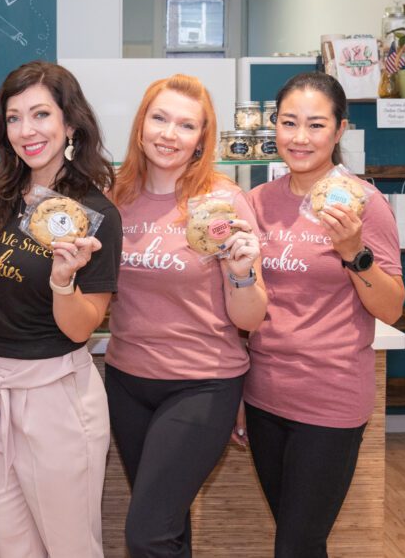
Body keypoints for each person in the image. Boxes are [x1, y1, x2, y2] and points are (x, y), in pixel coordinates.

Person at [0, 60, 122, 557]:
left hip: (58, 399)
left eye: (40, 115)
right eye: (13, 118)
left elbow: (81, 329)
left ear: (70, 124)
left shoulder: (95, 214)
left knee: (70, 548)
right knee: (13, 548)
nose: (26, 131)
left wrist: (62, 281)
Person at [243, 72, 405, 557]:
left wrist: (354, 251)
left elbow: (392, 308)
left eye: (315, 125)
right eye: (288, 122)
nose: (299, 137)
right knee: (296, 541)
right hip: (263, 396)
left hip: (331, 400)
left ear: (339, 131)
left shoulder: (364, 204)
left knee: (297, 543)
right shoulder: (257, 202)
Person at [105, 74, 267, 557]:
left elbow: (252, 316)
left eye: (185, 125)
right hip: (127, 381)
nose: (169, 134)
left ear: (202, 138)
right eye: (159, 118)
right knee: (168, 526)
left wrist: (241, 272)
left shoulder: (220, 202)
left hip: (202, 384)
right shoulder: (116, 196)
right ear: (140, 125)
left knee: (147, 533)